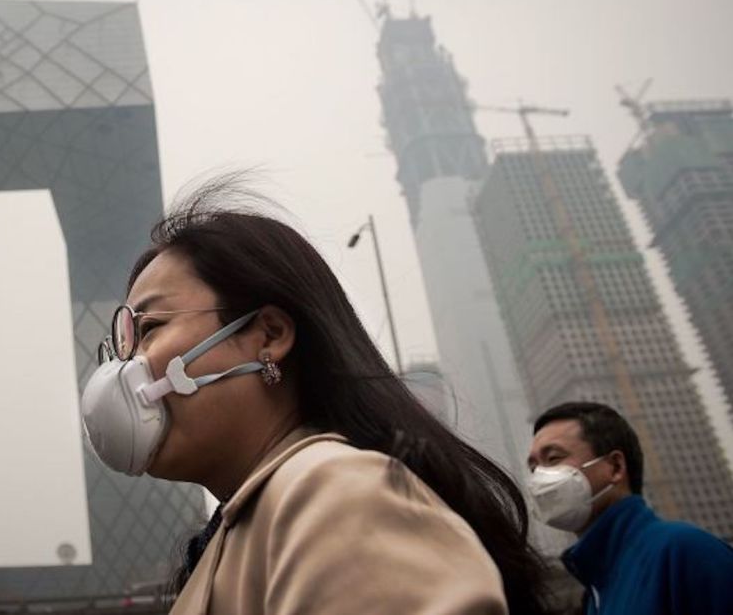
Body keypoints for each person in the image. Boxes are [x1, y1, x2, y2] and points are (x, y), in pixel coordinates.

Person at [81, 181, 551, 615]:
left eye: (148, 329)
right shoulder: (240, 532)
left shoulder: (337, 495)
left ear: (269, 335)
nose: (126, 366)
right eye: (123, 343)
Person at [527, 401, 733, 615]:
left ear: (615, 467)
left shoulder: (684, 552)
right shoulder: (595, 589)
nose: (539, 477)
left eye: (553, 458)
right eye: (533, 468)